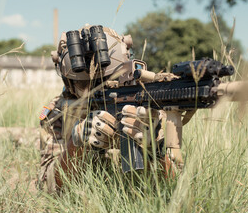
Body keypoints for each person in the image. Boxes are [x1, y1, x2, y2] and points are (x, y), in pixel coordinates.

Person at [37, 25, 189, 193]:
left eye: (105, 81)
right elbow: (47, 185)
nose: (93, 91)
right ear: (68, 82)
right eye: (82, 84)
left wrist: (154, 150)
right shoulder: (58, 111)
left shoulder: (146, 103)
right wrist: (77, 143)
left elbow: (176, 184)